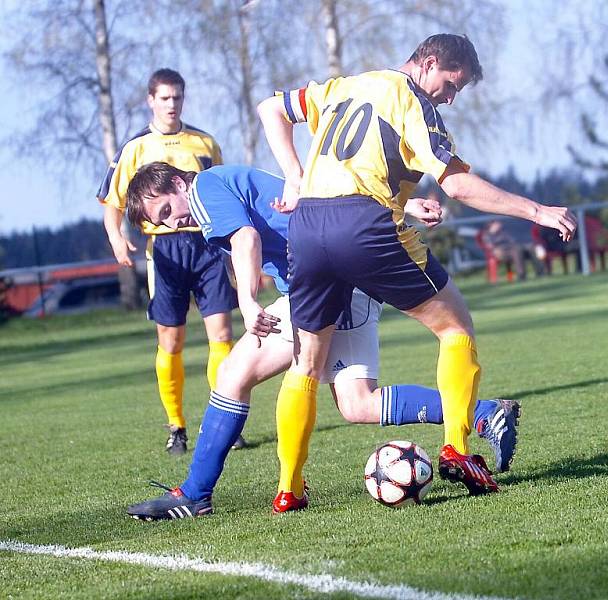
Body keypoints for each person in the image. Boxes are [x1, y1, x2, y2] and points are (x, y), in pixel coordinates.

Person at [258, 33, 576, 511]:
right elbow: (458, 184)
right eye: (451, 84)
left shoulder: (346, 85)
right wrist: (535, 211)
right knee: (455, 327)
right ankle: (458, 449)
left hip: (305, 227)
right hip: (363, 226)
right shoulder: (413, 101)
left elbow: (271, 109)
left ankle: (289, 489)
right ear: (427, 64)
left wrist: (294, 174)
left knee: (307, 362)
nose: (451, 97)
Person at [122, 163, 520, 520]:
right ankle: (485, 413)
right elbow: (323, 196)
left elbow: (246, 239)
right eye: (162, 223)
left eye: (166, 211)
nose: (172, 223)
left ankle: (198, 494)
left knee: (233, 375)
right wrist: (403, 206)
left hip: (323, 284)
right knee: (356, 403)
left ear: (177, 183)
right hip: (332, 280)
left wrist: (245, 301)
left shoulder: (203, 189)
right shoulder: (223, 184)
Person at [97, 69, 240, 454]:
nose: (172, 104)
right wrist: (116, 237)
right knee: (171, 340)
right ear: (151, 100)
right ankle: (176, 425)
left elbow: (222, 191)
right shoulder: (135, 148)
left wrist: (239, 252)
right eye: (164, 98)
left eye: (177, 97)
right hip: (165, 252)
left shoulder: (203, 142)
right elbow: (111, 201)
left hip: (207, 246)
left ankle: (225, 416)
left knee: (223, 336)